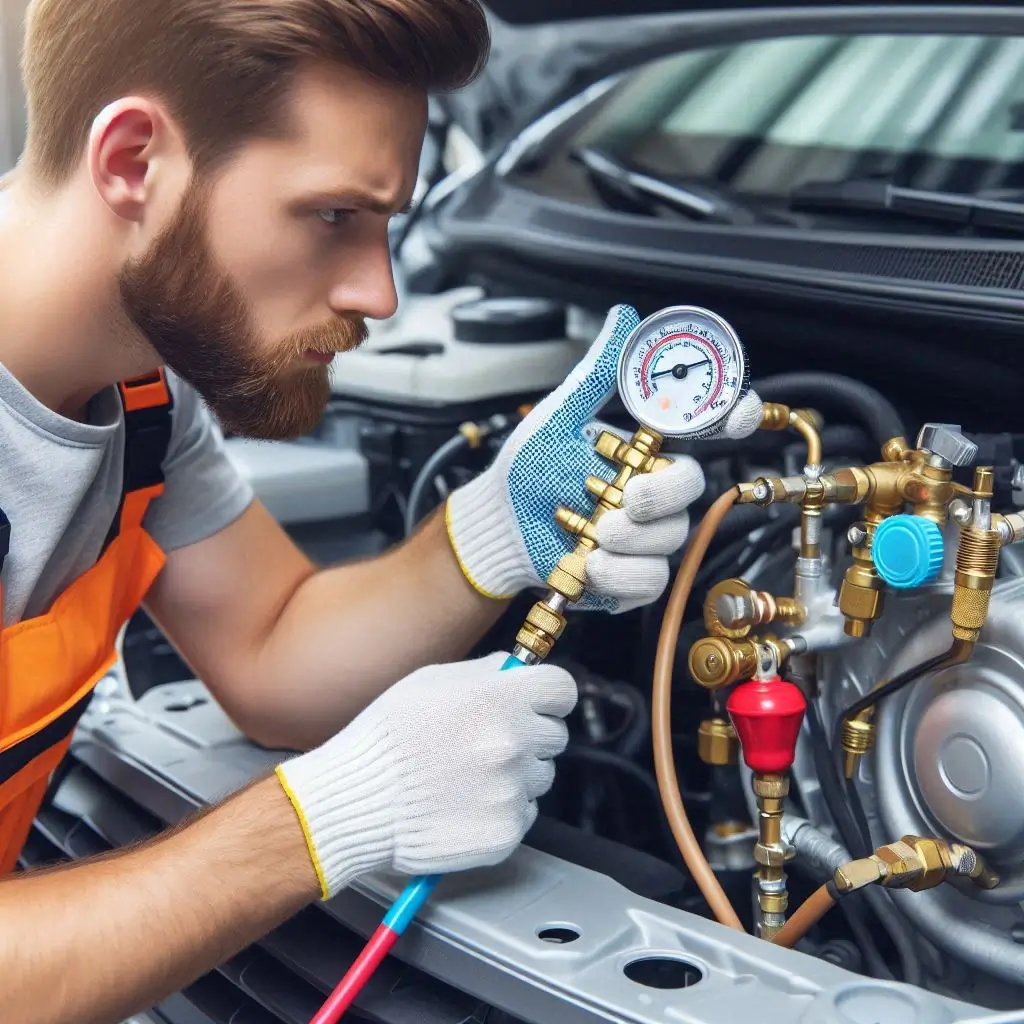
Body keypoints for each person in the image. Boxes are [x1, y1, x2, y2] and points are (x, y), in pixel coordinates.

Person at [0, 0, 763, 1020]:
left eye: (390, 224)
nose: (378, 290)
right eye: (332, 216)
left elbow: (274, 657)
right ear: (135, 161)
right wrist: (323, 819)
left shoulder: (143, 394)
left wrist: (493, 531)